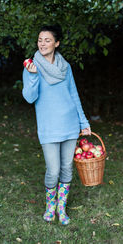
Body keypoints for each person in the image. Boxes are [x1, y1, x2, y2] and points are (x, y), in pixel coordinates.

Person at [22, 24, 91, 225]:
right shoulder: (31, 66)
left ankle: (62, 208)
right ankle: (50, 206)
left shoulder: (65, 66)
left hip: (69, 124)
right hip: (49, 126)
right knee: (53, 170)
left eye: (47, 40)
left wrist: (83, 122)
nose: (42, 44)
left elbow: (73, 95)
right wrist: (33, 76)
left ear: (56, 43)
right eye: (40, 40)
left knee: (67, 168)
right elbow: (29, 97)